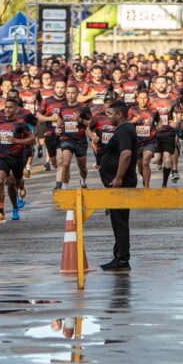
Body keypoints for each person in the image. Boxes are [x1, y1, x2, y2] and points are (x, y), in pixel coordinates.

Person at [98, 100, 139, 272]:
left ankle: (122, 259)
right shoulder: (123, 129)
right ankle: (119, 256)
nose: (107, 118)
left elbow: (126, 154)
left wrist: (118, 178)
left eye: (110, 114)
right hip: (116, 184)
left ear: (120, 114)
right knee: (117, 221)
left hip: (121, 184)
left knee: (120, 221)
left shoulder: (124, 130)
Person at [0, 98, 36, 224]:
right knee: (0, 180)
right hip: (3, 157)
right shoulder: (1, 120)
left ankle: (16, 204)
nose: (7, 109)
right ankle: (1, 212)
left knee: (15, 183)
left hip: (17, 158)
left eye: (10, 107)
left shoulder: (21, 123)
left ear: (16, 109)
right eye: (6, 107)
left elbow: (33, 140)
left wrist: (17, 141)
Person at [54, 85, 92, 190]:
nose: (70, 95)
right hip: (66, 139)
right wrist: (57, 129)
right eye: (68, 93)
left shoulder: (84, 107)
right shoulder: (62, 107)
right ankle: (65, 188)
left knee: (82, 167)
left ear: (77, 94)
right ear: (66, 94)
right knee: (65, 163)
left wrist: (80, 120)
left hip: (80, 140)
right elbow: (60, 119)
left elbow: (90, 123)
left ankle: (83, 181)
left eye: (73, 93)